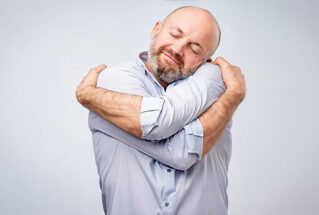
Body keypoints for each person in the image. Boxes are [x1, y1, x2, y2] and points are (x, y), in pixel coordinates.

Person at [76, 6, 245, 215]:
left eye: (194, 48)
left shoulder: (215, 83)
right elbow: (180, 148)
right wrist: (234, 95)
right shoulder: (111, 80)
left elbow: (179, 150)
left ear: (206, 62)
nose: (177, 49)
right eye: (175, 34)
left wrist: (232, 95)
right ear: (156, 29)